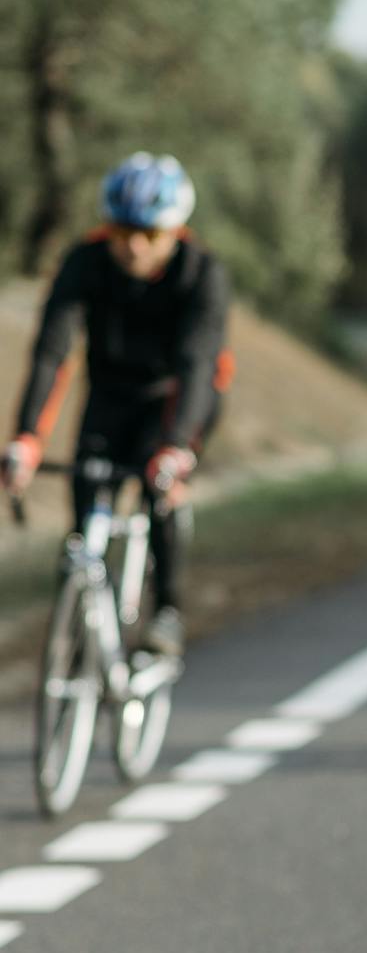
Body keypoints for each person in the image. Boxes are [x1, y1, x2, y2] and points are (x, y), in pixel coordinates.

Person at [2, 152, 232, 656]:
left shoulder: (201, 273)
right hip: (109, 394)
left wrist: (176, 449)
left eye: (149, 235)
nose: (132, 247)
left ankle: (168, 610)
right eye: (123, 231)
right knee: (84, 517)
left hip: (177, 398)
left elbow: (198, 364)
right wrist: (26, 437)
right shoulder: (85, 260)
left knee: (159, 486)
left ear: (175, 231)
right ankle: (82, 625)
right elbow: (52, 352)